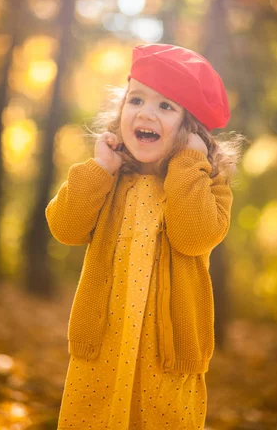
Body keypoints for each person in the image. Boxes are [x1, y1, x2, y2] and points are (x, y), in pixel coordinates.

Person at [46, 43, 246, 430]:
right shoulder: (107, 178)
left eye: (166, 106)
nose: (145, 113)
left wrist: (189, 164)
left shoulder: (208, 187)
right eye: (136, 99)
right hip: (101, 348)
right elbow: (65, 228)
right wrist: (99, 168)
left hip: (166, 356)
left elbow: (194, 237)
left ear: (191, 132)